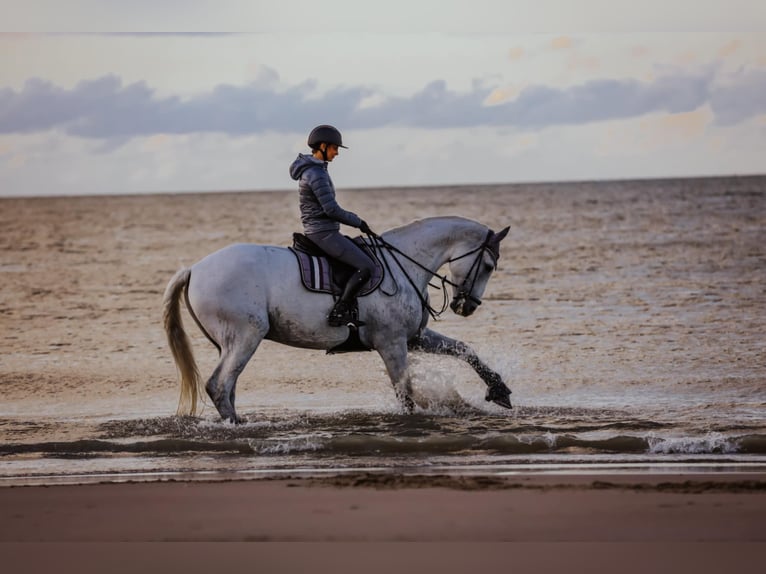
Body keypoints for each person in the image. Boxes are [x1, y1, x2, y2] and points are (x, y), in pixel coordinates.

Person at [289, 124, 376, 327]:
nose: (337, 153)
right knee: (366, 266)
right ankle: (340, 311)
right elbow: (332, 210)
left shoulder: (317, 170)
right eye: (335, 148)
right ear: (323, 146)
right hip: (323, 233)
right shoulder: (315, 174)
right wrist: (359, 222)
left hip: (324, 231)